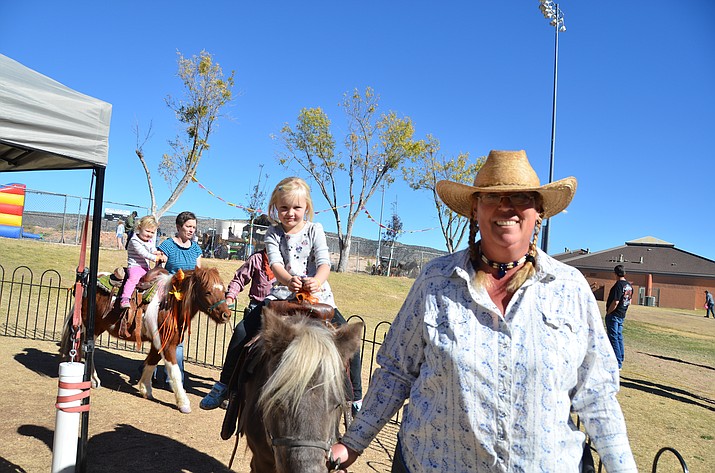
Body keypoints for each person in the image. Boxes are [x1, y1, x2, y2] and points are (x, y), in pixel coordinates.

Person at [330, 150, 636, 473]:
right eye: (492, 197)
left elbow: (597, 396)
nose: (506, 205)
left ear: (539, 212)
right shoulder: (435, 281)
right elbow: (395, 371)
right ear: (475, 210)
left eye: (520, 197)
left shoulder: (569, 288)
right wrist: (352, 442)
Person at [218, 177, 363, 411]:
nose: (290, 213)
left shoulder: (315, 230)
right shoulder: (273, 233)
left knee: (348, 338)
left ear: (307, 207)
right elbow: (275, 264)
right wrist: (288, 280)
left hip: (318, 297)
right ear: (275, 208)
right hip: (283, 295)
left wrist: (315, 281)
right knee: (242, 331)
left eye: (296, 207)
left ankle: (354, 396)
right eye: (284, 208)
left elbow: (325, 263)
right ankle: (225, 385)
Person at [199, 248, 276, 410]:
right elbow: (239, 279)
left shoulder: (294, 258)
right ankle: (224, 385)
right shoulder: (257, 259)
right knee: (240, 333)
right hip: (259, 308)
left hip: (285, 309)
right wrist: (230, 296)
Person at [154, 211, 203, 386]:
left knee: (178, 339)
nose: (191, 230)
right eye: (188, 226)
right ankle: (155, 371)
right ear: (178, 227)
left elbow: (199, 274)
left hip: (186, 301)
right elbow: (159, 269)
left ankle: (174, 378)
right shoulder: (167, 245)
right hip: (168, 296)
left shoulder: (196, 249)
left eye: (194, 227)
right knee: (162, 335)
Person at [120, 215, 166, 309]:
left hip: (145, 267)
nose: (149, 234)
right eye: (147, 231)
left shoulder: (149, 241)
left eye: (152, 232)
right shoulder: (134, 240)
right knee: (133, 279)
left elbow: (152, 249)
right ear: (139, 228)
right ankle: (125, 298)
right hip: (135, 266)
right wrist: (155, 258)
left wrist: (159, 253)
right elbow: (143, 253)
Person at [605, 264, 634, 370]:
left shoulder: (618, 285)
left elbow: (616, 301)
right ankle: (620, 358)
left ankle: (617, 363)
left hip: (614, 314)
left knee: (613, 338)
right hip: (622, 314)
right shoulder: (629, 286)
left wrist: (609, 312)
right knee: (619, 336)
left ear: (615, 274)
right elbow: (629, 301)